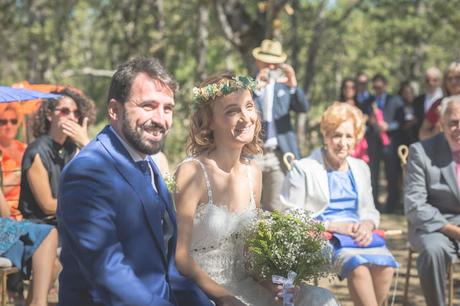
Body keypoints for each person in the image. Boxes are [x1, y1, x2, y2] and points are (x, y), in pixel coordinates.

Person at [57, 57, 212, 306]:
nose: (161, 120)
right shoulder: (87, 172)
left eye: (168, 108)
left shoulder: (147, 161)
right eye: (148, 106)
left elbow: (170, 263)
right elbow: (108, 272)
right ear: (115, 110)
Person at [174, 72, 338, 306]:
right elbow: (181, 257)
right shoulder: (192, 173)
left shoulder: (253, 173)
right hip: (204, 293)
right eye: (232, 111)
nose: (246, 118)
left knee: (321, 299)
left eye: (249, 107)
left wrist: (275, 286)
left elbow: (250, 255)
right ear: (209, 121)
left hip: (246, 287)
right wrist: (224, 297)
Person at [280, 102, 398, 306]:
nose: (343, 142)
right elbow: (290, 214)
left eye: (349, 136)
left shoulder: (361, 168)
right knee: (359, 267)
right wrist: (332, 226)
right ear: (325, 136)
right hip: (325, 236)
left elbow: (369, 210)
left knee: (386, 266)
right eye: (336, 135)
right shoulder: (304, 168)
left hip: (358, 236)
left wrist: (367, 225)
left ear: (356, 139)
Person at [404, 95, 460, 306]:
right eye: (454, 123)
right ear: (441, 125)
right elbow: (415, 204)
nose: (459, 128)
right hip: (434, 226)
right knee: (433, 252)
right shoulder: (421, 151)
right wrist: (453, 231)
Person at [19, 88, 95, 224]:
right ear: (49, 115)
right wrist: (85, 201)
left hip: (69, 220)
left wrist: (85, 143)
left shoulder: (73, 148)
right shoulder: (37, 150)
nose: (72, 117)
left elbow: (100, 176)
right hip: (41, 226)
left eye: (76, 113)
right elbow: (47, 206)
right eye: (65, 111)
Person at [252, 39, 309, 212]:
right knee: (248, 205)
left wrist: (293, 86)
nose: (270, 67)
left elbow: (303, 107)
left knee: (275, 208)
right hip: (254, 152)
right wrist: (256, 89)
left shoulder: (284, 87)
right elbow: (242, 112)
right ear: (258, 61)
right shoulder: (250, 85)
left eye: (274, 64)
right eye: (266, 63)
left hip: (278, 153)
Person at [0, 187, 58, 306]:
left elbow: (5, 213)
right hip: (5, 233)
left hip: (5, 231)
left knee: (54, 265)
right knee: (48, 234)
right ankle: (39, 303)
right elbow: (47, 206)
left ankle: (38, 302)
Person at [363, 74, 404, 213]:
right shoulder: (368, 101)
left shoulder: (396, 100)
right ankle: (374, 205)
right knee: (372, 175)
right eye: (375, 86)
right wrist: (371, 123)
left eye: (380, 86)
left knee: (391, 175)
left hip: (390, 144)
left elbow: (402, 122)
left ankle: (391, 205)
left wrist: (389, 126)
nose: (377, 89)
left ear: (385, 85)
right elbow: (364, 121)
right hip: (373, 143)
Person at [419, 62, 460, 140]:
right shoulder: (438, 104)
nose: (453, 82)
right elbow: (422, 134)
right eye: (449, 78)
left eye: (458, 77)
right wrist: (437, 131)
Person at [0, 104, 26, 220]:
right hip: (6, 214)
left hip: (27, 210)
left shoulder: (26, 149)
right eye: (3, 122)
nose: (9, 126)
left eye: (13, 121)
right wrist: (17, 175)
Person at [338, 77, 369, 163]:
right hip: (342, 143)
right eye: (346, 87)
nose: (349, 90)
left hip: (359, 143)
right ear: (342, 89)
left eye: (352, 87)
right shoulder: (337, 107)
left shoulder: (362, 106)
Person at [412, 67, 443, 138]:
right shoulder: (417, 101)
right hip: (422, 140)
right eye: (427, 80)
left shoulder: (445, 99)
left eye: (434, 80)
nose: (431, 83)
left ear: (440, 81)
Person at [398, 81, 419, 145]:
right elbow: (400, 125)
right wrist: (411, 123)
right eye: (405, 93)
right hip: (403, 141)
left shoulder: (418, 106)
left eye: (410, 92)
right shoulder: (399, 108)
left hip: (417, 139)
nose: (408, 95)